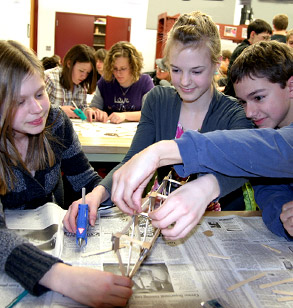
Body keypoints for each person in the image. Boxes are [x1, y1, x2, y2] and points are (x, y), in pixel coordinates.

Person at [63, 11, 253, 236]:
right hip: (164, 221)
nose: (184, 81)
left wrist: (205, 189)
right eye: (176, 70)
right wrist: (98, 193)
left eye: (196, 71)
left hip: (215, 225)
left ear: (216, 65)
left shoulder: (236, 113)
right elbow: (132, 159)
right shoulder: (157, 100)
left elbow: (243, 165)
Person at [111, 40, 293, 241]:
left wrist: (164, 151)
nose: (249, 112)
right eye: (243, 102)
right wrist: (282, 214)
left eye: (258, 97)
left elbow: (275, 147)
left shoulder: (276, 139)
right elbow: (270, 188)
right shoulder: (268, 124)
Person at [0, 40, 133, 307]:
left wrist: (99, 195)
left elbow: (85, 179)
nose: (38, 109)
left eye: (40, 94)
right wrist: (62, 277)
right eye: (20, 101)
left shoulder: (56, 122)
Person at [86, 41, 154, 124]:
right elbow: (94, 107)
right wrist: (95, 111)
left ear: (133, 67)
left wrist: (124, 115)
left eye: (123, 68)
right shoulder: (105, 81)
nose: (118, 73)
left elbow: (150, 113)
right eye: (115, 68)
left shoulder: (145, 82)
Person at [45, 44, 97, 119]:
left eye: (88, 73)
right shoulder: (50, 78)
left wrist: (87, 111)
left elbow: (81, 107)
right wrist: (59, 111)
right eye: (81, 71)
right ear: (69, 64)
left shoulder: (82, 84)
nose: (84, 76)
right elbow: (36, 109)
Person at [224, 18, 272, 97]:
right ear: (252, 34)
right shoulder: (245, 51)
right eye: (264, 38)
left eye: (269, 39)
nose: (267, 42)